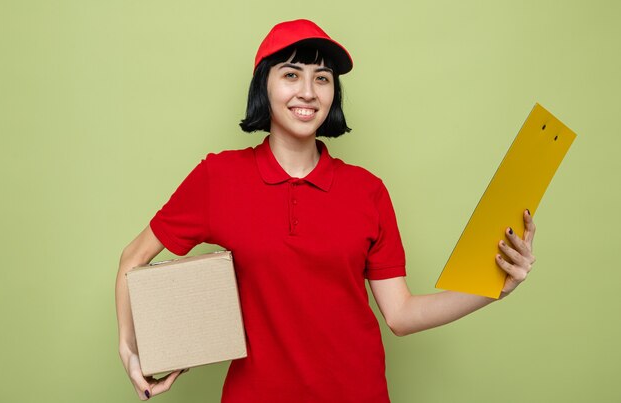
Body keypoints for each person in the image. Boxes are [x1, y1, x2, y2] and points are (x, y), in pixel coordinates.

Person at [115, 19, 536, 402]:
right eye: (291, 75)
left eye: (322, 78)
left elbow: (401, 314)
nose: (308, 92)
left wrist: (493, 287)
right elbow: (133, 258)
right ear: (264, 85)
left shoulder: (367, 191)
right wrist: (130, 348)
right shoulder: (219, 177)